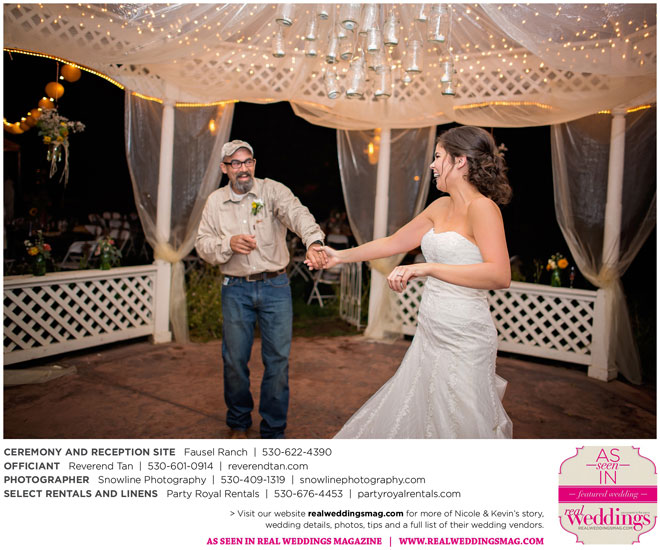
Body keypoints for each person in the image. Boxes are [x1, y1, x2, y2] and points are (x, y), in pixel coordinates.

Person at [308, 126, 513, 439]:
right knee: (423, 412)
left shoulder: (483, 208)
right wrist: (340, 256)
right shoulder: (440, 206)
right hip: (431, 330)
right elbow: (393, 242)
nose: (432, 165)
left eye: (438, 157)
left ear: (459, 161)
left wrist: (428, 268)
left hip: (465, 336)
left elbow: (499, 275)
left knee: (460, 420)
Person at [196, 140, 327, 439]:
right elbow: (202, 244)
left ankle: (273, 431)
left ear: (254, 164)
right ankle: (239, 422)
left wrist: (314, 241)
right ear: (224, 168)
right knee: (234, 361)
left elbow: (298, 214)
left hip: (275, 287)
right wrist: (227, 244)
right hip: (235, 289)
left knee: (277, 361)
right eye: (235, 163)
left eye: (248, 161)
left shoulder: (272, 191)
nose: (243, 168)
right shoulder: (215, 202)